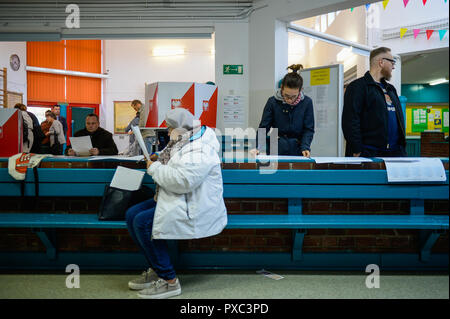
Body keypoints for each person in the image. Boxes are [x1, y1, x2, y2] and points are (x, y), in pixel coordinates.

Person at [125, 108, 227, 299]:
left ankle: (169, 281)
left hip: (194, 205)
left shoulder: (202, 148)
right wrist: (158, 157)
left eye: (170, 127)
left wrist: (154, 168)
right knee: (132, 214)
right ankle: (157, 268)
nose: (168, 130)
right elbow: (171, 154)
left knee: (143, 222)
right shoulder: (184, 138)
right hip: (177, 198)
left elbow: (183, 181)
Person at [342, 47, 407, 157]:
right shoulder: (357, 87)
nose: (394, 66)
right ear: (381, 62)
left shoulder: (391, 89)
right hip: (369, 153)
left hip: (395, 153)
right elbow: (350, 121)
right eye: (392, 62)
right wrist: (357, 149)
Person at [252, 64, 315, 157]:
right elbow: (264, 127)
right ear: (282, 88)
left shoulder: (307, 102)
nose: (289, 99)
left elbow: (308, 129)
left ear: (300, 90)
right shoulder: (272, 102)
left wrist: (305, 147)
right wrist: (258, 147)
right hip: (276, 146)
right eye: (286, 95)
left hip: (298, 148)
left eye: (293, 96)